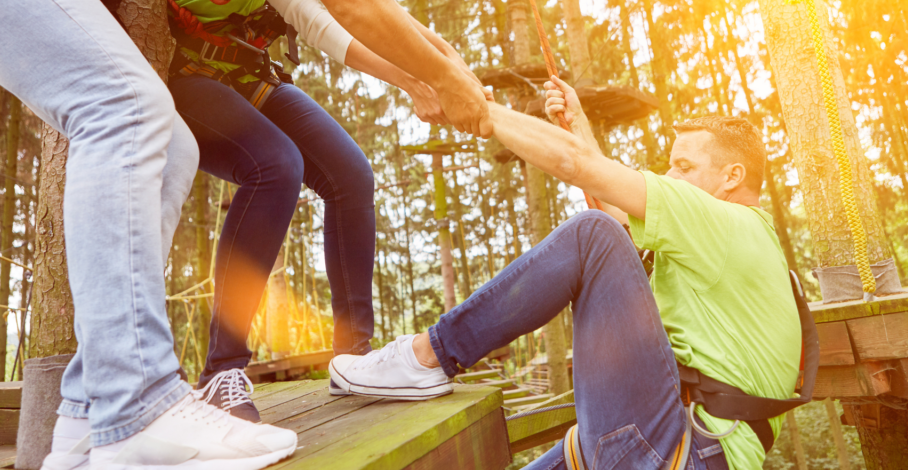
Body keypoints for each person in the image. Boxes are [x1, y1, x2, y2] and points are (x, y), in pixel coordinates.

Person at [0, 0, 489, 468]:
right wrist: (448, 80)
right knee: (127, 110)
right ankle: (137, 403)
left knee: (170, 141)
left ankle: (86, 419)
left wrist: (436, 72)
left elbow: (325, 11)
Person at [329, 76, 804, 470]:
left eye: (683, 166)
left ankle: (427, 357)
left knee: (592, 234)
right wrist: (578, 124)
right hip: (673, 441)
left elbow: (582, 175)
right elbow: (619, 209)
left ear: (732, 177)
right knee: (604, 233)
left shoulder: (725, 223)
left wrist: (481, 110)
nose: (671, 178)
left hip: (684, 449)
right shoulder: (742, 243)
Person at [167, 0, 449, 420]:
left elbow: (357, 6)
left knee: (351, 175)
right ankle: (222, 369)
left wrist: (435, 56)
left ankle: (353, 358)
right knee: (275, 166)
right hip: (182, 75)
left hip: (246, 73)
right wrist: (409, 79)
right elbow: (318, 23)